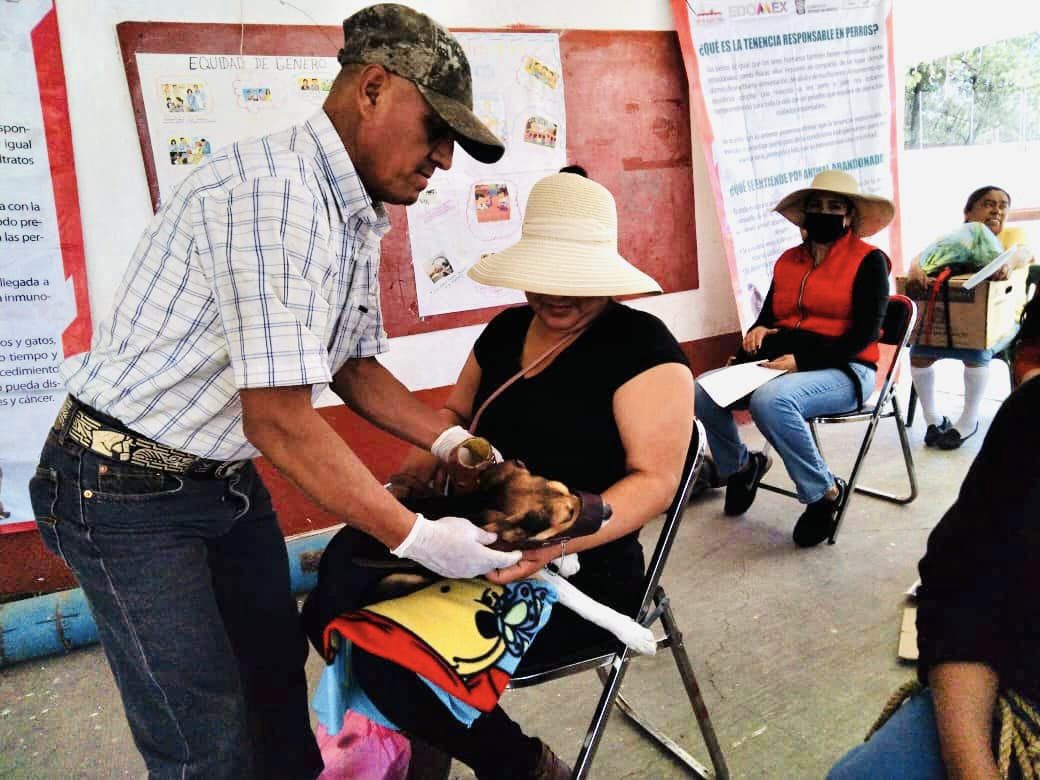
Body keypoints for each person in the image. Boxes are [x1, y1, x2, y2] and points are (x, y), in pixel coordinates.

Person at [25, 5, 528, 778]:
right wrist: (419, 539)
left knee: (274, 698)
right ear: (372, 89)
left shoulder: (355, 208)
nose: (444, 161)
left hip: (218, 479)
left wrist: (447, 440)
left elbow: (352, 364)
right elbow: (280, 419)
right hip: (118, 489)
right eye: (435, 130)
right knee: (205, 743)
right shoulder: (277, 194)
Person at [345, 172, 696, 779]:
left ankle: (523, 767)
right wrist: (414, 476)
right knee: (346, 603)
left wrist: (554, 540)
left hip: (581, 565)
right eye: (545, 276)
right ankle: (443, 754)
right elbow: (456, 415)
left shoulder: (643, 349)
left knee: (399, 654)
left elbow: (655, 482)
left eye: (573, 280)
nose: (556, 295)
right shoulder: (507, 330)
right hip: (474, 536)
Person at [827, 334, 1040, 779]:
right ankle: (820, 492)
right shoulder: (1032, 415)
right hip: (1019, 688)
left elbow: (855, 336)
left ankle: (822, 492)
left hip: (840, 369)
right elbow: (961, 588)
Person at [694, 169, 893, 547]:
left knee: (772, 401)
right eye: (816, 206)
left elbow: (864, 335)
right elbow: (771, 315)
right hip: (784, 360)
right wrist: (756, 331)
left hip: (847, 367)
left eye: (835, 207)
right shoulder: (789, 260)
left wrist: (802, 360)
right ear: (804, 215)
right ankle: (740, 467)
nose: (824, 213)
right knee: (702, 390)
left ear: (849, 216)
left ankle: (824, 493)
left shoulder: (870, 262)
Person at [906, 186, 1034, 450]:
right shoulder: (960, 237)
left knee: (976, 347)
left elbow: (1023, 253)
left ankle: (968, 421)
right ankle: (933, 420)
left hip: (1005, 319)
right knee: (919, 352)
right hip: (954, 316)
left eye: (1003, 205)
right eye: (988, 204)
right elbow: (923, 255)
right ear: (968, 212)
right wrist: (915, 267)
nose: (997, 210)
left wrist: (1006, 264)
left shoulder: (1014, 235)